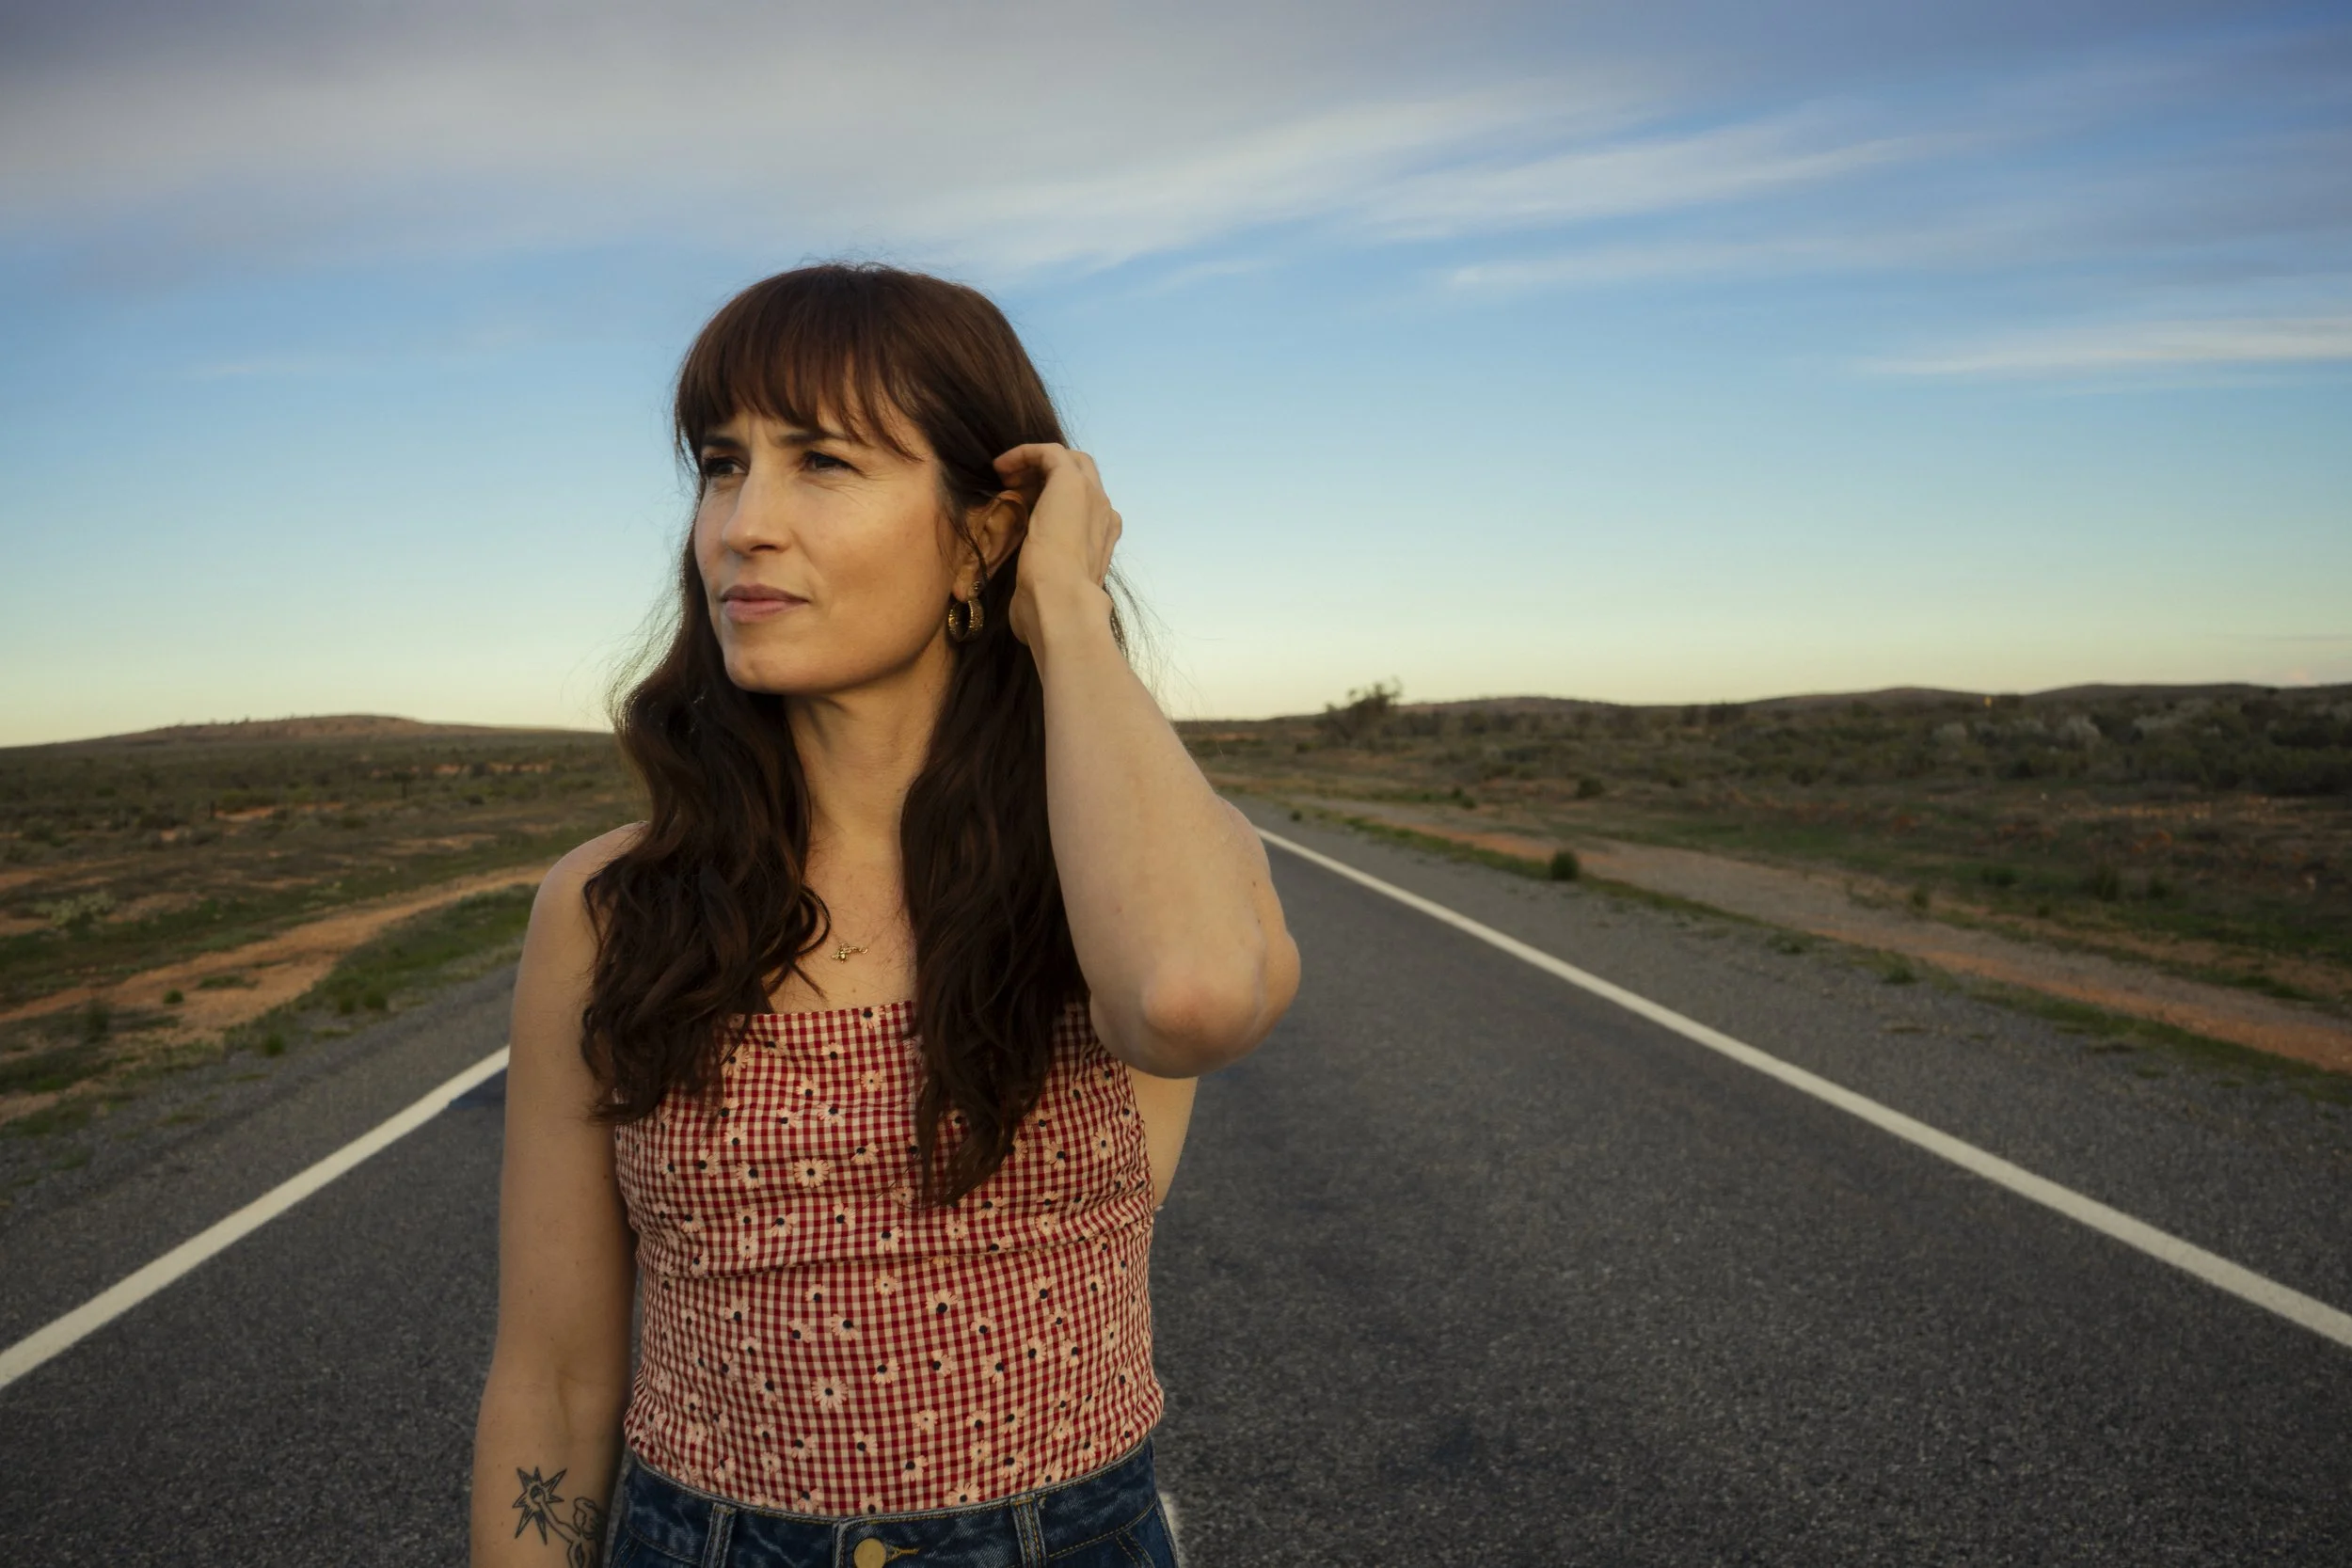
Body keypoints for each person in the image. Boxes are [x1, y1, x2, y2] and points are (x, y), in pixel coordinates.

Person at [469, 262, 1300, 1568]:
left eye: (824, 462)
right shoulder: (611, 907)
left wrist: (1065, 611)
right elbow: (557, 1379)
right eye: (722, 466)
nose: (743, 524)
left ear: (981, 536)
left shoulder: (1127, 870)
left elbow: (1190, 998)